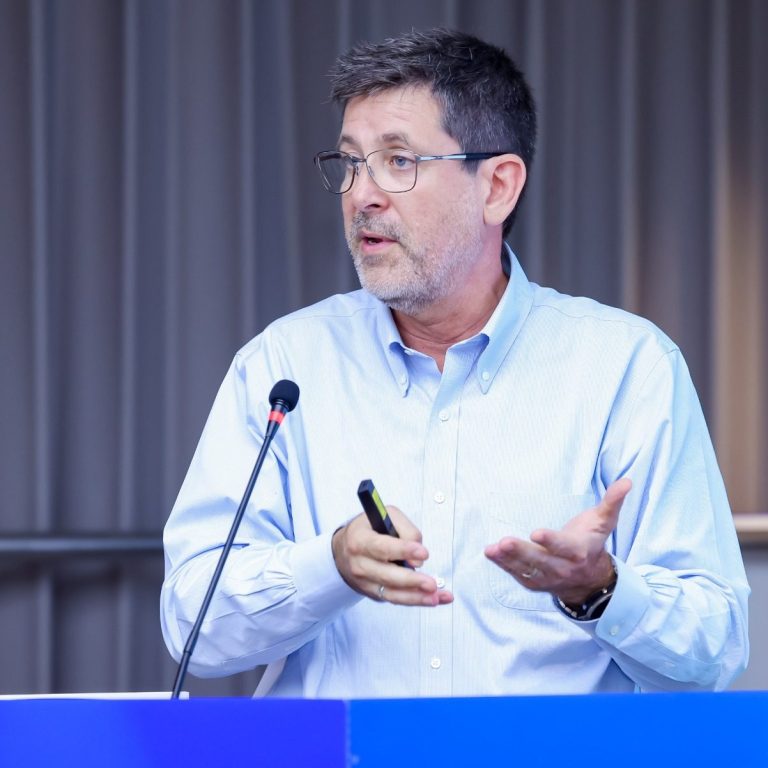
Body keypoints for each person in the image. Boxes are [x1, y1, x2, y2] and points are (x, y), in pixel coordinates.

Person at [161, 28, 749, 697]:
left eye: (398, 161)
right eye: (350, 163)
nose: (361, 195)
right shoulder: (285, 364)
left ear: (497, 186)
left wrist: (600, 589)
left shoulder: (625, 367)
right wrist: (332, 565)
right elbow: (193, 629)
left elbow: (716, 651)